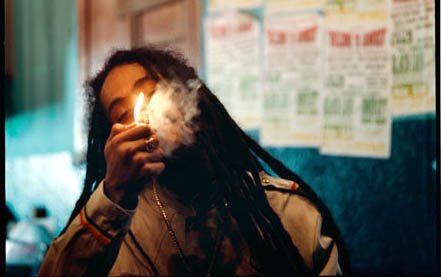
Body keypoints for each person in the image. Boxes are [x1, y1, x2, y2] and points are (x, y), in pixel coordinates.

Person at [39, 46, 350, 276]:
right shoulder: (117, 229)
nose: (143, 115)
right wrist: (114, 194)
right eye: (122, 114)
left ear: (192, 98)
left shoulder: (286, 212)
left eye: (150, 92)